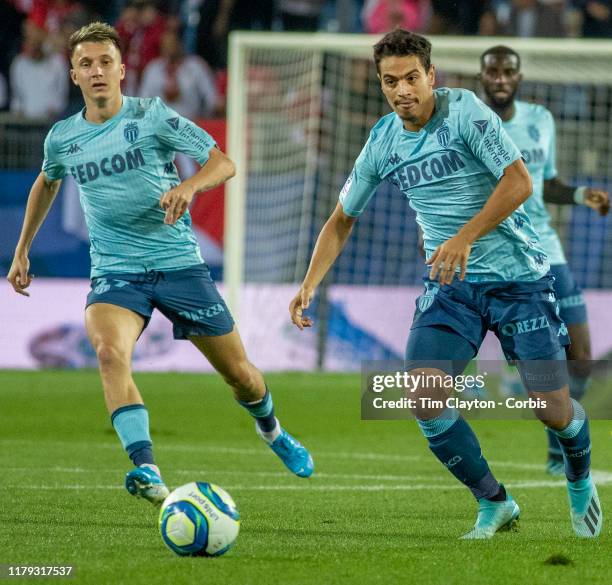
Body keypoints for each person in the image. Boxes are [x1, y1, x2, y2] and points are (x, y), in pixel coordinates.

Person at [289, 29, 602, 538]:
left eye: (412, 77)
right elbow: (343, 217)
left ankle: (580, 476)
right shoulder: (383, 139)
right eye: (390, 81)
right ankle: (494, 501)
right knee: (424, 396)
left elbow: (520, 181)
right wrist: (309, 283)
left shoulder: (466, 113)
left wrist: (464, 237)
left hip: (518, 278)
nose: (402, 90)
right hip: (452, 287)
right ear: (381, 84)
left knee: (552, 408)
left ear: (431, 76)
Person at [7, 21, 313, 508]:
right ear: (74, 75)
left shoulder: (152, 117)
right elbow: (47, 182)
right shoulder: (63, 138)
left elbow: (223, 162)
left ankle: (272, 430)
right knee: (109, 353)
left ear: (122, 70)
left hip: (178, 266)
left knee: (241, 376)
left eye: (105, 61)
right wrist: (22, 247)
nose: (97, 70)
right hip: (115, 272)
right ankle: (146, 467)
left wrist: (189, 187)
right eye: (86, 63)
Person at [478, 45, 609, 475]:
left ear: (518, 77)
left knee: (583, 356)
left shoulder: (541, 120)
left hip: (547, 251)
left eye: (507, 72)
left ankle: (561, 438)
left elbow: (546, 183)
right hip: (500, 254)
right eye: (493, 71)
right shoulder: (470, 123)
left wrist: (578, 195)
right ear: (482, 76)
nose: (500, 78)